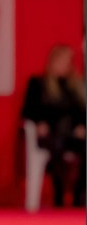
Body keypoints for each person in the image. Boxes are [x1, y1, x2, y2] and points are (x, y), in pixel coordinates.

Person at [21, 44, 86, 207]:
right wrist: (39, 123)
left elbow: (82, 112)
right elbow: (28, 111)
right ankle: (58, 194)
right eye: (61, 61)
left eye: (67, 61)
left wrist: (81, 126)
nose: (64, 65)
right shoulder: (38, 84)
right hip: (50, 135)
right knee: (56, 146)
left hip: (72, 135)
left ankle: (79, 194)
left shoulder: (76, 87)